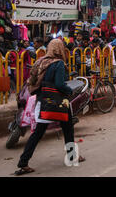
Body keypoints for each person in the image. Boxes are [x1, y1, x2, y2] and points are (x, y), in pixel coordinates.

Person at [14, 39, 85, 175]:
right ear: (60, 49)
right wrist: (69, 90)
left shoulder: (41, 62)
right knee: (68, 129)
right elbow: (59, 84)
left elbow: (34, 81)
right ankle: (71, 157)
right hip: (58, 102)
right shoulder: (58, 64)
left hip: (42, 101)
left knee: (37, 133)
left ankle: (23, 162)